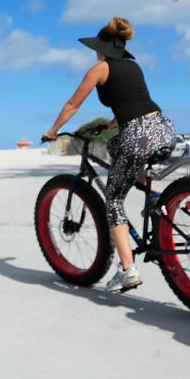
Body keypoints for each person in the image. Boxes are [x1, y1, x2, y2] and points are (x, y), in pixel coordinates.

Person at [42, 17, 176, 294]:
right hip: (163, 128)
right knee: (117, 148)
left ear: (102, 48)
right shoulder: (133, 66)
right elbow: (133, 101)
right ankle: (154, 198)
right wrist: (109, 125)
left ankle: (128, 269)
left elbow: (72, 104)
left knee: (113, 199)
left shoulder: (99, 69)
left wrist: (53, 131)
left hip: (137, 135)